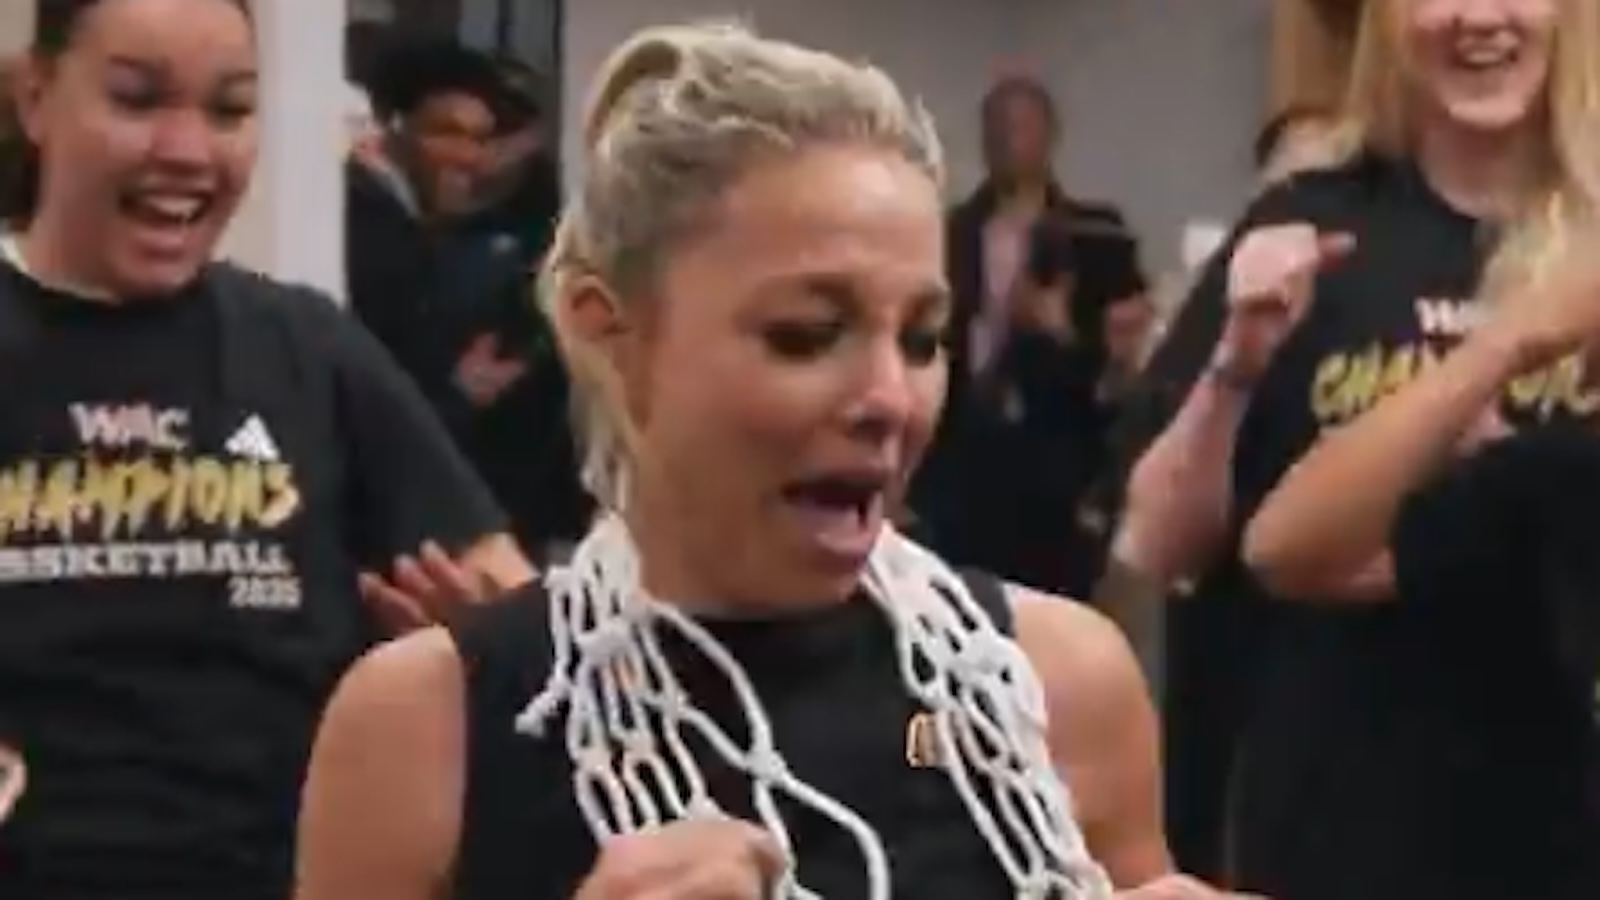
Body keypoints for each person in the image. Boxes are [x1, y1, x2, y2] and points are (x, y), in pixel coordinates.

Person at [294, 21, 1251, 900]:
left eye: (922, 339)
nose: (889, 398)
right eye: (806, 335)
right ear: (612, 333)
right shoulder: (425, 729)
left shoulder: (1059, 684)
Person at [0, 1, 534, 897]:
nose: (187, 150)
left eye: (229, 109)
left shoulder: (306, 349)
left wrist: (472, 661)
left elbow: (524, 619)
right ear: (37, 98)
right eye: (137, 100)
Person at [1118, 0, 1599, 897]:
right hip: (1336, 810)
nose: (1477, 17)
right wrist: (1236, 364)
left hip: (1562, 814)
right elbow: (1164, 546)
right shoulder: (1314, 222)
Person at [920, 75, 1146, 598]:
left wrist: (1059, 330)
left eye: (1020, 126)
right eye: (995, 128)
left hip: (1060, 467)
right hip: (962, 466)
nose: (1007, 140)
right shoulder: (949, 231)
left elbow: (1125, 364)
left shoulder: (1097, 234)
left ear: (1050, 136)